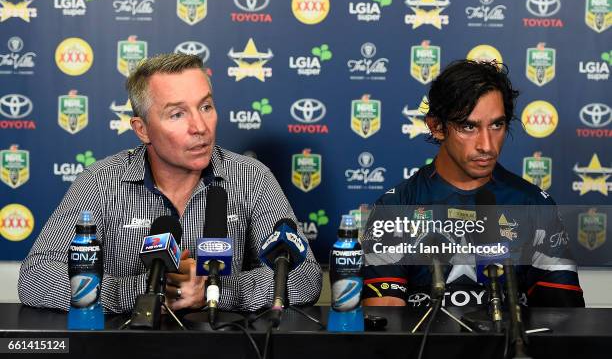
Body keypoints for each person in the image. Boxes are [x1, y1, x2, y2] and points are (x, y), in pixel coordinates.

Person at [18, 53, 322, 313]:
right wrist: (148, 291)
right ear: (142, 129)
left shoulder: (251, 178)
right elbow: (36, 276)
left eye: (205, 107)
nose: (200, 127)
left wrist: (214, 291)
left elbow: (305, 276)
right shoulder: (101, 181)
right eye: (177, 114)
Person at [362, 60, 584, 308]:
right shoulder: (397, 207)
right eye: (469, 126)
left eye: (497, 125)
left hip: (510, 347)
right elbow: (386, 325)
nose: (487, 145)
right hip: (424, 347)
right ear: (436, 127)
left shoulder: (532, 204)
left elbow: (563, 317)